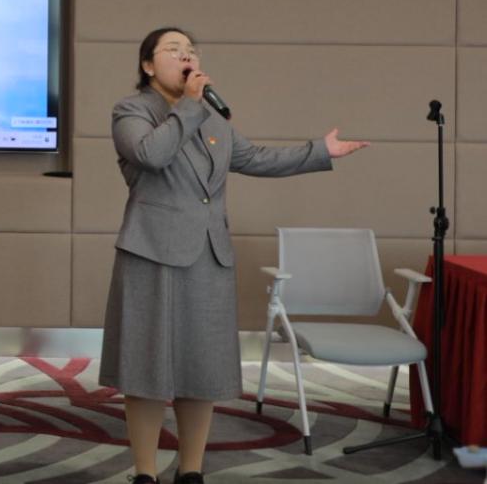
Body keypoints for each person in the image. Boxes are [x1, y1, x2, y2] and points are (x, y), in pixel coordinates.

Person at [99, 27, 368, 484]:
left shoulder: (213, 118)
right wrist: (189, 105)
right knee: (147, 367)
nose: (186, 56)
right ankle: (145, 473)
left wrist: (319, 152)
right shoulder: (132, 111)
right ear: (148, 65)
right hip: (152, 255)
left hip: (208, 256)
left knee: (200, 366)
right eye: (173, 50)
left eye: (191, 50)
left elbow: (257, 159)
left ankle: (191, 470)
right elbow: (151, 154)